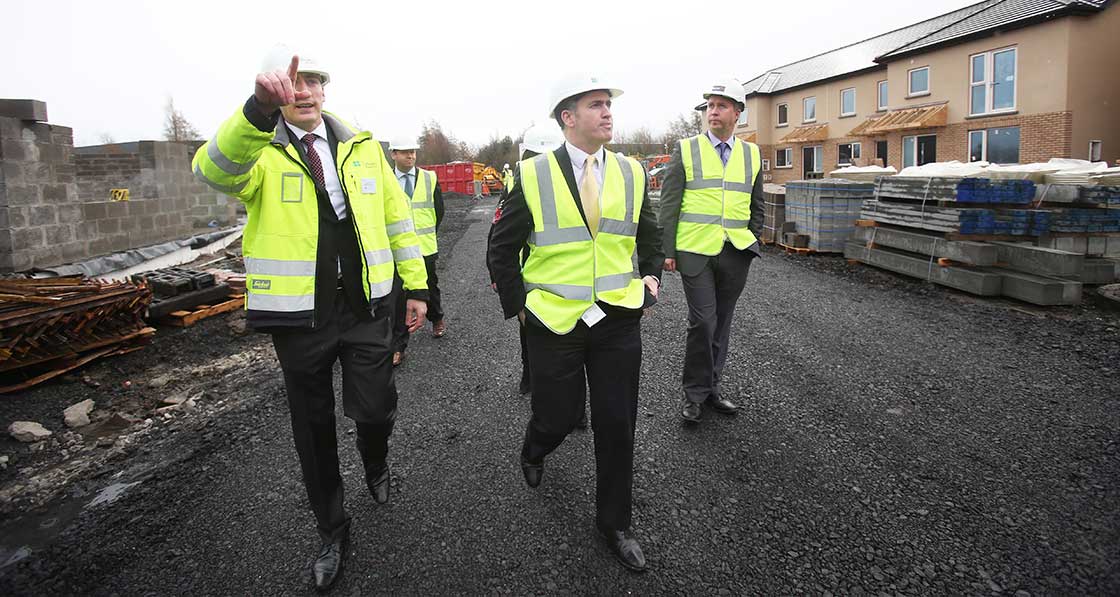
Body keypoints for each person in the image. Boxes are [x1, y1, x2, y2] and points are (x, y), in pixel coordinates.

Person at [192, 47, 428, 592]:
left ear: (325, 90)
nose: (304, 91)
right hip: (299, 317)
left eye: (313, 82)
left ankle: (375, 459)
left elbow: (397, 219)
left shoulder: (362, 148)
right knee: (313, 429)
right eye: (292, 83)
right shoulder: (260, 150)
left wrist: (416, 286)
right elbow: (213, 170)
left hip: (365, 306)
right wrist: (256, 110)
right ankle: (332, 530)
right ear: (276, 93)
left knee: (375, 407)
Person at [487, 74, 663, 572]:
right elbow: (502, 249)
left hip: (617, 317)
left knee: (617, 422)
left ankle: (615, 523)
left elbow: (649, 235)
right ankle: (535, 445)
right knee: (559, 416)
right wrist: (520, 306)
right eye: (596, 104)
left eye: (608, 104)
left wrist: (651, 278)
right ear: (568, 117)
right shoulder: (532, 174)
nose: (607, 112)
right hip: (555, 319)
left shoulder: (631, 171)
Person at [658, 77, 764, 424]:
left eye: (721, 106)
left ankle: (712, 389)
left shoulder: (752, 153)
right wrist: (667, 249)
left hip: (735, 251)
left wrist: (752, 239)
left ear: (737, 113)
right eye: (710, 106)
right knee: (703, 321)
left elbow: (757, 204)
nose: (713, 111)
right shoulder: (686, 149)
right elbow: (669, 202)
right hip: (695, 250)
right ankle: (693, 395)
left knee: (722, 324)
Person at [388, 137, 446, 367]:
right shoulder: (385, 179)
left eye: (413, 151)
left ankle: (437, 318)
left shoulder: (430, 178)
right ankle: (398, 345)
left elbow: (439, 210)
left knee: (430, 286)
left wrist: (428, 233)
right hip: (396, 251)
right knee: (398, 297)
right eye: (405, 152)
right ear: (393, 154)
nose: (410, 156)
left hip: (425, 246)